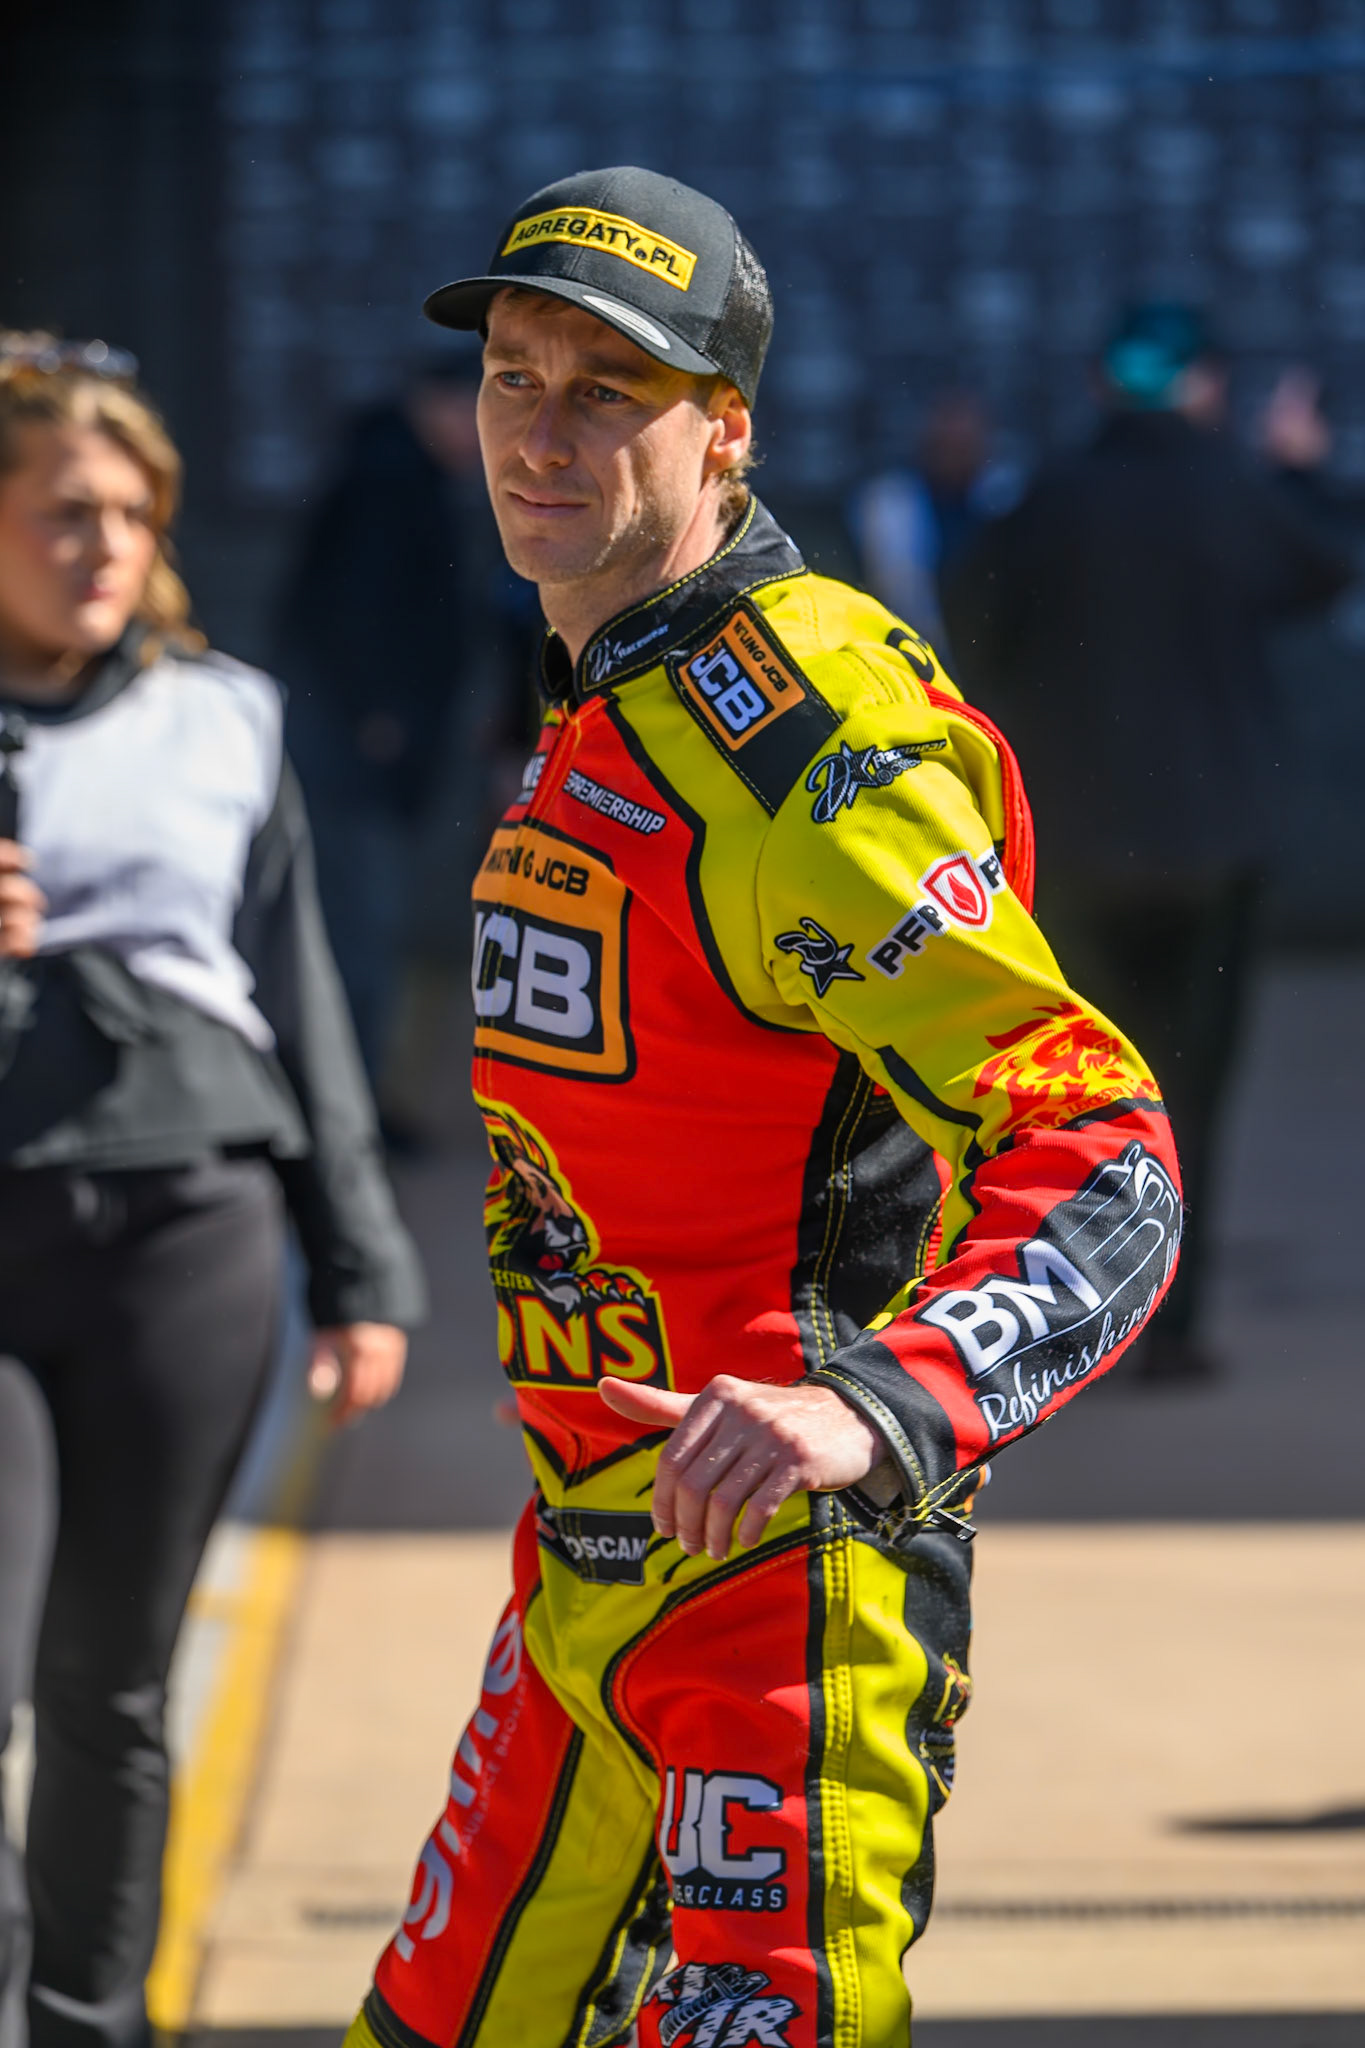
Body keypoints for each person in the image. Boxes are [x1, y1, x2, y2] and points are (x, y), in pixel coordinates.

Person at [344, 169, 1181, 2048]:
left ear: (724, 430)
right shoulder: (597, 681)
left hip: (786, 1606)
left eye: (603, 394)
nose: (537, 436)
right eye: (511, 376)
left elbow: (1103, 1144)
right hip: (577, 1577)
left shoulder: (800, 733)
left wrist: (874, 1402)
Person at [0, 332, 425, 2048]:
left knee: (110, 1687)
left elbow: (301, 997)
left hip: (187, 1224)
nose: (100, 543)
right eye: (56, 511)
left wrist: (364, 1268)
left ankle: (93, 2025)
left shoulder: (225, 718)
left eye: (126, 510)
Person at [942, 303, 1354, 1381]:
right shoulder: (1239, 494)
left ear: (1099, 384)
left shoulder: (1050, 500)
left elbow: (969, 614)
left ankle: (1077, 1324)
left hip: (1073, 846)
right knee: (1194, 1092)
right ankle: (1172, 1326)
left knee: (1077, 1093)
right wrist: (1299, 468)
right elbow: (1326, 565)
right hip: (1218, 847)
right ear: (1210, 386)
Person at [275, 353, 538, 1092]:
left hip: (377, 749)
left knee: (371, 930)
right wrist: (378, 717)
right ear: (433, 405)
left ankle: (359, 1096)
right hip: (351, 755)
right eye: (469, 410)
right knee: (359, 929)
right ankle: (345, 1102)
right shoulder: (386, 480)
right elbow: (351, 616)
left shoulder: (412, 477)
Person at [848, 389, 1021, 651]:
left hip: (994, 643)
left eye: (963, 446)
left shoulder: (1008, 498)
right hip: (910, 643)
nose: (953, 454)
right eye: (945, 444)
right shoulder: (888, 503)